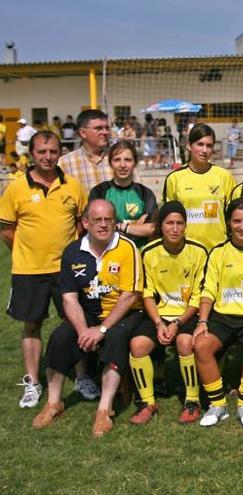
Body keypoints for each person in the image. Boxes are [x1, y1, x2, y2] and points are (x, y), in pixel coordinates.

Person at [31, 199, 144, 437]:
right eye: (97, 220)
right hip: (89, 313)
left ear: (115, 222)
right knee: (61, 336)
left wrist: (101, 330)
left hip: (126, 312)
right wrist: (83, 330)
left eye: (108, 220)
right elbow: (70, 299)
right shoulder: (73, 251)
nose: (103, 225)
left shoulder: (128, 247)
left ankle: (104, 409)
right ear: (85, 222)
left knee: (116, 337)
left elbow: (129, 295)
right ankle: (53, 403)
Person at [0, 131, 88, 409]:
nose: (48, 157)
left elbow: (80, 224)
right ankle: (32, 382)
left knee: (77, 323)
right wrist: (26, 253)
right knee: (32, 324)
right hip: (29, 270)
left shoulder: (73, 186)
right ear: (32, 153)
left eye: (53, 151)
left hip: (66, 272)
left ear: (59, 152)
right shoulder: (16, 188)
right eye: (42, 152)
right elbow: (6, 229)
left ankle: (83, 377)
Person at [193, 198, 243, 428]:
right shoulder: (218, 253)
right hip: (222, 317)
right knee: (201, 345)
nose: (242, 226)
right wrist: (202, 321)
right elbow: (208, 289)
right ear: (228, 223)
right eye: (237, 221)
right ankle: (217, 404)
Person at [127, 201, 208, 424]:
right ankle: (147, 402)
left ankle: (192, 401)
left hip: (187, 315)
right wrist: (158, 323)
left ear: (185, 226)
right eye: (169, 223)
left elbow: (198, 296)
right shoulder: (149, 252)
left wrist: (178, 323)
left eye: (179, 223)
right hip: (158, 315)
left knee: (184, 343)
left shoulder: (198, 251)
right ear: (160, 226)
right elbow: (148, 293)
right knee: (138, 345)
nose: (174, 228)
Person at [162, 124, 236, 250]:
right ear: (189, 146)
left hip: (218, 250)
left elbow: (235, 217)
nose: (205, 150)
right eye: (200, 144)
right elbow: (168, 220)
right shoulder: (174, 179)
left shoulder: (224, 176)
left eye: (209, 145)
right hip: (186, 252)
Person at [88, 140, 157, 247]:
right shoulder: (99, 192)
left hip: (139, 254)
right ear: (110, 163)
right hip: (109, 254)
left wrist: (116, 225)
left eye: (128, 160)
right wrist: (135, 227)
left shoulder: (145, 193)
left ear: (135, 163)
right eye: (117, 160)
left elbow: (152, 229)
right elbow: (98, 226)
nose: (122, 165)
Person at [58, 110, 112, 191]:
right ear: (83, 132)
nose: (105, 132)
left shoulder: (118, 159)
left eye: (107, 128)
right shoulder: (65, 163)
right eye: (98, 128)